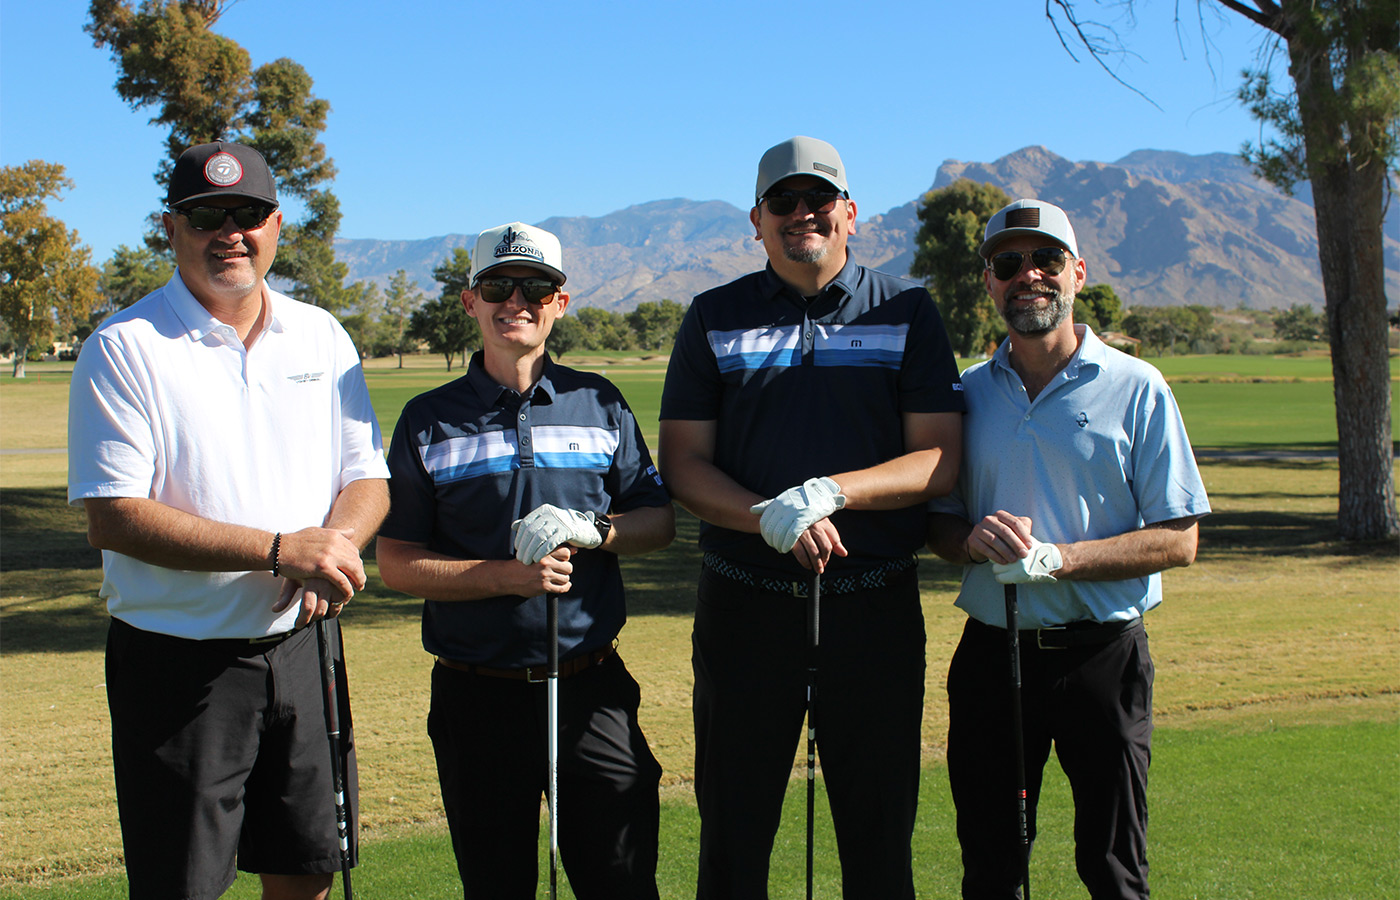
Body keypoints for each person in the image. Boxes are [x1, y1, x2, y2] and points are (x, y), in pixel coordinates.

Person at [68, 141, 390, 900]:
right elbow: (114, 518)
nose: (230, 232)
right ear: (170, 228)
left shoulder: (321, 336)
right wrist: (282, 552)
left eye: (247, 214)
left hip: (305, 650)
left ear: (277, 224)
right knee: (182, 885)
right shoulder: (123, 348)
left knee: (308, 868)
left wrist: (335, 547)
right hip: (179, 665)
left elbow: (365, 478)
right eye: (208, 215)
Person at [658, 136, 965, 899]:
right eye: (784, 204)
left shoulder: (908, 311)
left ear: (851, 214)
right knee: (734, 834)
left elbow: (938, 458)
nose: (803, 216)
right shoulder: (712, 316)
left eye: (819, 201)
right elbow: (684, 464)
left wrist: (832, 493)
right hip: (744, 605)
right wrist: (770, 515)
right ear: (756, 221)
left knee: (877, 833)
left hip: (874, 606)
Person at [376, 222, 674, 899]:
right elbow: (396, 562)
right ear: (470, 301)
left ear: (560, 302)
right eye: (498, 286)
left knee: (622, 883)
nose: (517, 299)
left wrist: (594, 529)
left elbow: (658, 522)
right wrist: (505, 579)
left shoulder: (600, 402)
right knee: (498, 886)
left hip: (591, 690)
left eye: (536, 287)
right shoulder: (428, 420)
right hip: (475, 696)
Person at [925, 199, 1212, 899]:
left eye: (1046, 260)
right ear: (989, 281)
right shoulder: (963, 393)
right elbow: (937, 525)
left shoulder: (1136, 386)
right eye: (1009, 263)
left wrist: (1059, 558)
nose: (1030, 276)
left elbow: (1180, 538)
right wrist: (969, 539)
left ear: (1076, 273)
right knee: (991, 868)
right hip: (995, 654)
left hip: (1103, 658)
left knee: (1113, 865)